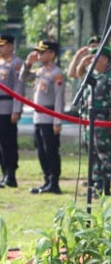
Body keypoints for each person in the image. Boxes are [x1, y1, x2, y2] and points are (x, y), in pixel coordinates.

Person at [75, 46, 111, 196]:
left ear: (106, 59)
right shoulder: (93, 75)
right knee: (92, 151)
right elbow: (78, 74)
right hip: (90, 119)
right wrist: (83, 62)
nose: (96, 60)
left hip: (103, 119)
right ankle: (96, 183)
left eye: (99, 57)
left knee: (103, 151)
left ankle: (106, 184)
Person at [20, 40, 64, 194]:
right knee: (41, 150)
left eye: (42, 52)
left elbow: (59, 99)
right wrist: (28, 64)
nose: (39, 55)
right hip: (38, 117)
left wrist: (57, 121)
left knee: (51, 150)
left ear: (52, 54)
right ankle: (46, 180)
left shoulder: (56, 73)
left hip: (49, 116)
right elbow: (23, 78)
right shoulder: (40, 71)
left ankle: (54, 182)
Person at [0, 34, 24, 188]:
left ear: (10, 46)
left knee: (9, 143)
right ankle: (4, 173)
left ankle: (11, 174)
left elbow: (18, 88)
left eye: (2, 45)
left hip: (8, 108)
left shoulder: (16, 63)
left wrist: (17, 110)